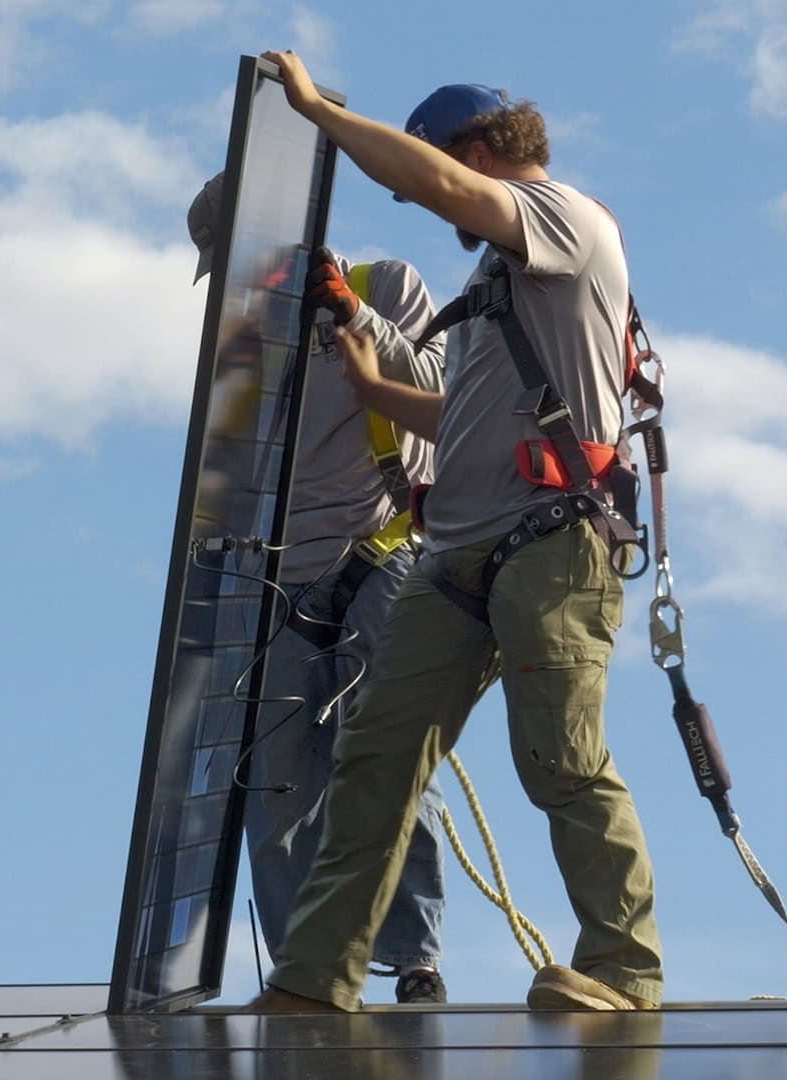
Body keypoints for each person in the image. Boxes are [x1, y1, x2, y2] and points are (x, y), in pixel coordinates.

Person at [247, 53, 664, 1013]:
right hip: (457, 560)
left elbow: (430, 179)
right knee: (376, 760)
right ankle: (315, 979)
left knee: (560, 757)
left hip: (552, 540)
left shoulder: (566, 221)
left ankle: (623, 973)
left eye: (445, 174)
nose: (435, 205)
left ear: (478, 153)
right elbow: (466, 424)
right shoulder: (493, 290)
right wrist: (373, 388)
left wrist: (312, 110)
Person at [187, 173, 455, 1004]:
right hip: (276, 584)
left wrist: (350, 314)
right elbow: (221, 484)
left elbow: (445, 396)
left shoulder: (388, 287)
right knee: (272, 790)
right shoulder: (238, 345)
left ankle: (414, 961)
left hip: (381, 550)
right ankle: (307, 970)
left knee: (386, 761)